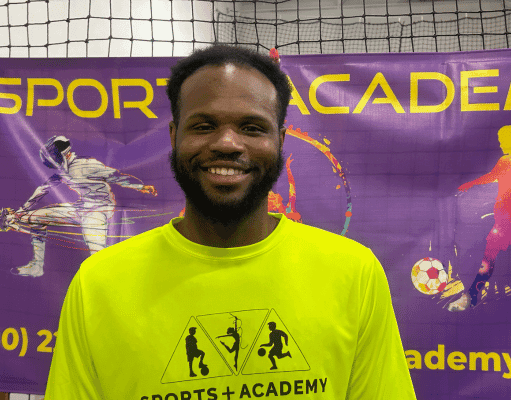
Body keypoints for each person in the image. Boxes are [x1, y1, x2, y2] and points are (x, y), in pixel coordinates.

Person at [45, 45, 416, 400]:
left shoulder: (354, 272)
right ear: (175, 137)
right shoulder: (98, 284)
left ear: (280, 141)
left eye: (252, 128)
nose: (227, 143)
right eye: (204, 126)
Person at [2, 135, 157, 277]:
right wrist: (22, 211)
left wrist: (140, 186)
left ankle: (108, 284)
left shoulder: (87, 165)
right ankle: (37, 267)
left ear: (66, 154)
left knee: (98, 255)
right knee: (36, 218)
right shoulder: (63, 171)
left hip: (99, 209)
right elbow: (43, 189)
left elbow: (115, 176)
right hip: (80, 207)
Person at [448, 125, 511, 311]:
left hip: (505, 220)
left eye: (503, 139)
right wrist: (468, 184)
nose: (500, 143)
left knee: (488, 259)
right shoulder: (504, 161)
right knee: (488, 259)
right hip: (502, 221)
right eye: (500, 140)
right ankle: (471, 296)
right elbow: (491, 177)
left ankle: (471, 297)